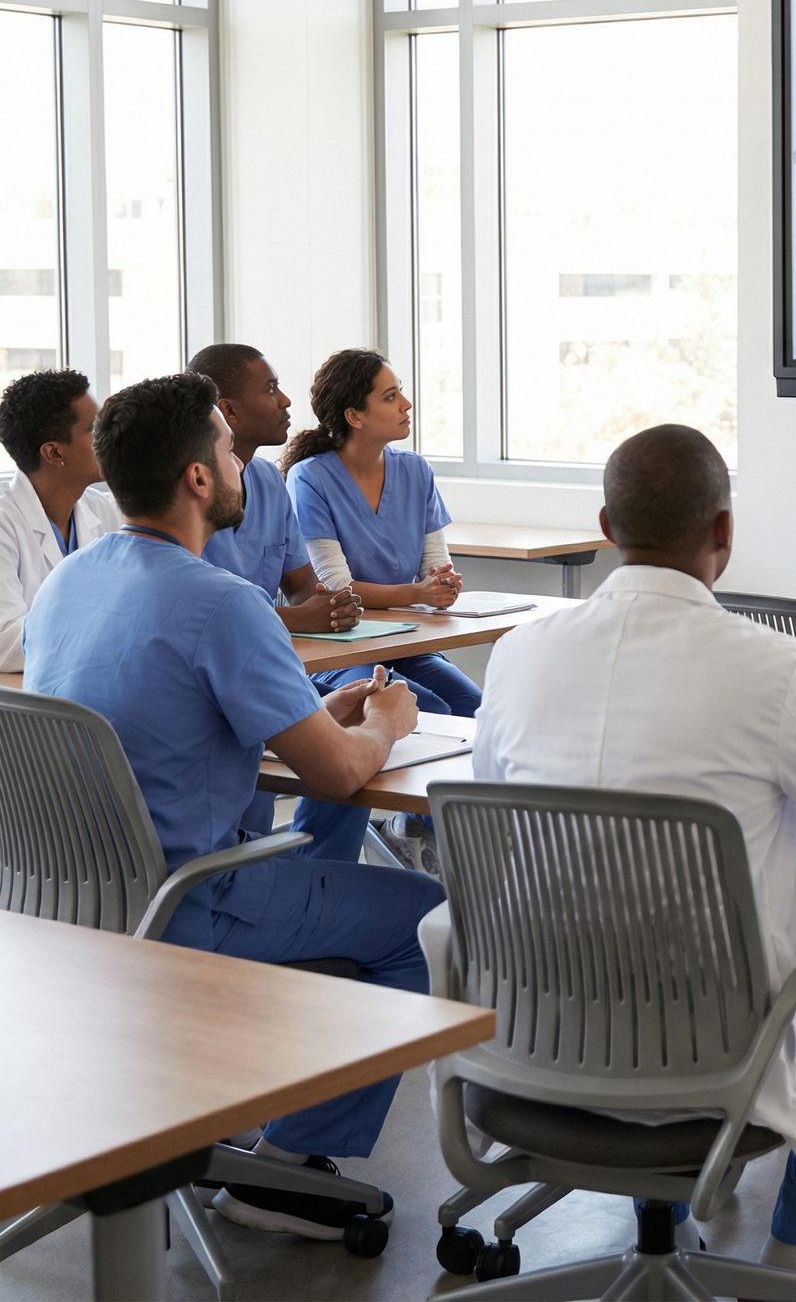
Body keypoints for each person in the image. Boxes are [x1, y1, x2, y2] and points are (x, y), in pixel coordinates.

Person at [472, 424, 796, 1291]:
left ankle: (676, 1219)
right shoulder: (775, 671)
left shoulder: (517, 654)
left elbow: (499, 817)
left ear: (605, 524)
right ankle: (791, 1263)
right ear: (724, 532)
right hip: (713, 1057)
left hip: (537, 1036)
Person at [23, 372, 441, 1242]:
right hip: (182, 906)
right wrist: (390, 725)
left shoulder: (65, 585)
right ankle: (285, 1171)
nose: (244, 465)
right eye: (226, 447)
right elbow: (334, 780)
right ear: (199, 479)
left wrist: (312, 718)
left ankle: (227, 1103)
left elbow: (159, 722)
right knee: (417, 924)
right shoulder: (225, 602)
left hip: (56, 916)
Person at [283, 349, 478, 873]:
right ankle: (414, 829)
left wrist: (441, 584)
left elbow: (435, 564)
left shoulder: (415, 471)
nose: (406, 404)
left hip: (406, 643)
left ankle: (441, 833)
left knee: (477, 710)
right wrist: (416, 594)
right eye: (390, 396)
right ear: (355, 415)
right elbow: (334, 590)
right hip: (342, 648)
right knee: (426, 707)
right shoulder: (309, 478)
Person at [188, 342, 369, 861]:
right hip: (235, 685)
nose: (287, 399)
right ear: (228, 412)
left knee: (363, 713)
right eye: (270, 389)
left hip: (274, 668)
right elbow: (212, 617)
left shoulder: (268, 479)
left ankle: (317, 870)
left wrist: (333, 603)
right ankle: (302, 883)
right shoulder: (192, 506)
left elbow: (301, 583)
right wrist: (295, 617)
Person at [0, 368, 122, 671]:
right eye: (94, 430)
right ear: (54, 453)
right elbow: (6, 641)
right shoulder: (4, 522)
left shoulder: (104, 510)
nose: (110, 438)